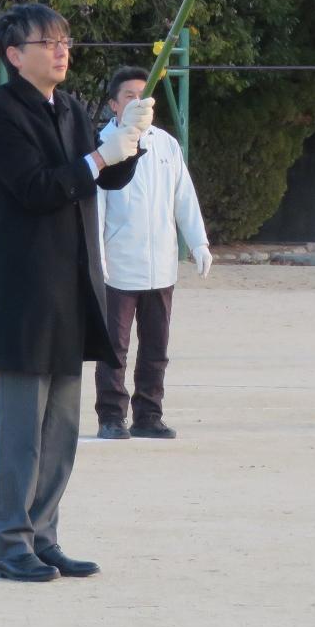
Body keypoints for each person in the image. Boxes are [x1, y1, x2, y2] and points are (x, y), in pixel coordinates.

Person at [0, 3, 146, 582]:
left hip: (73, 285)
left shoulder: (69, 107)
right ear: (14, 55)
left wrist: (131, 137)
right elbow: (36, 187)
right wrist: (101, 155)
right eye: (48, 41)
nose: (62, 49)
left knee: (61, 431)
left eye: (65, 39)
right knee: (21, 432)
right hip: (26, 289)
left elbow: (107, 174)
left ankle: (43, 534)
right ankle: (10, 543)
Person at [94, 65, 212, 441]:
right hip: (117, 265)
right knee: (114, 347)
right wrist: (98, 258)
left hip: (161, 265)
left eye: (144, 95)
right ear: (114, 104)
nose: (138, 102)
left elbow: (183, 197)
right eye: (129, 96)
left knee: (156, 346)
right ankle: (112, 416)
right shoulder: (103, 146)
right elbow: (95, 209)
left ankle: (149, 414)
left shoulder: (166, 144)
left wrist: (198, 242)